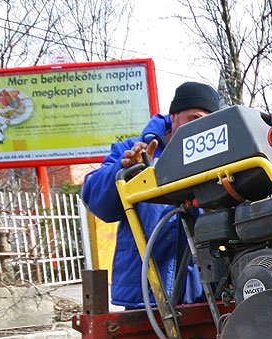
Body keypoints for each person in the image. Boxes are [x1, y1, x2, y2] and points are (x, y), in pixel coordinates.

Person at [82, 82, 221, 309]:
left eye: (207, 122)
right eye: (193, 119)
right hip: (145, 291)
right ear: (173, 116)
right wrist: (125, 171)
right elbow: (95, 199)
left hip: (203, 292)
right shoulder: (134, 149)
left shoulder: (217, 154)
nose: (199, 129)